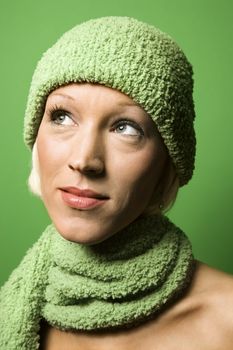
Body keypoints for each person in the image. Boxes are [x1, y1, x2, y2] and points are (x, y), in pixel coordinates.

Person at [0, 16, 233, 350]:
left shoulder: (227, 320)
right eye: (62, 117)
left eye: (126, 127)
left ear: (168, 162)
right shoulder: (13, 313)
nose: (84, 160)